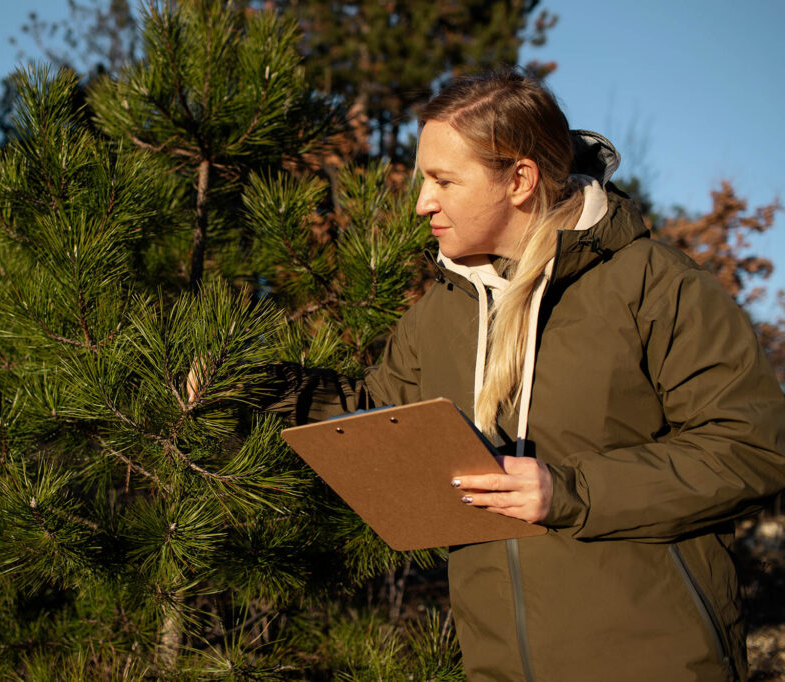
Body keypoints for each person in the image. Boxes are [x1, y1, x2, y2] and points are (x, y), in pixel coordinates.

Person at [259, 70, 785, 680]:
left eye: (444, 180)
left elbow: (752, 449)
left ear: (519, 179)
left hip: (654, 660)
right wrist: (248, 382)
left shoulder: (653, 284)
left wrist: (570, 492)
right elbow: (374, 412)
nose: (422, 201)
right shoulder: (443, 311)